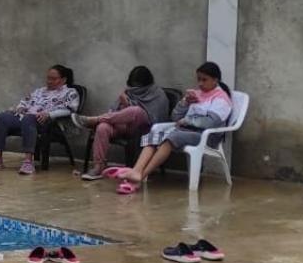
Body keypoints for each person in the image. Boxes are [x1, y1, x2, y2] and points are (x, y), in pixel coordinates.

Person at [112, 61, 233, 192]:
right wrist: (185, 103)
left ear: (215, 80)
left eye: (205, 80)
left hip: (207, 136)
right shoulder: (197, 94)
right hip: (186, 131)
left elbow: (210, 123)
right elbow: (175, 117)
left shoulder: (221, 99)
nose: (200, 83)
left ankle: (140, 176)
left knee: (172, 136)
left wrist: (187, 120)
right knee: (155, 132)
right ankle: (136, 171)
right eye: (198, 79)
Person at [0, 65, 79, 176]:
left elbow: (70, 110)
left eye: (53, 79)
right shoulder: (39, 91)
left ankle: (28, 162)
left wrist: (49, 114)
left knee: (29, 119)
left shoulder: (70, 92)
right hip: (27, 117)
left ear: (63, 80)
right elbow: (25, 101)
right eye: (48, 78)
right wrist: (20, 107)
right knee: (2, 117)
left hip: (48, 123)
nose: (49, 81)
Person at [76, 66, 170, 180]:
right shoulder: (128, 92)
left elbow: (157, 118)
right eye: (133, 85)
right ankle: (99, 166)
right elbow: (114, 112)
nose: (135, 88)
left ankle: (96, 119)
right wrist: (124, 104)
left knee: (136, 110)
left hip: (144, 129)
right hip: (123, 127)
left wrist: (129, 106)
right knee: (103, 127)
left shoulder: (158, 94)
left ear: (146, 83)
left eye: (138, 85)